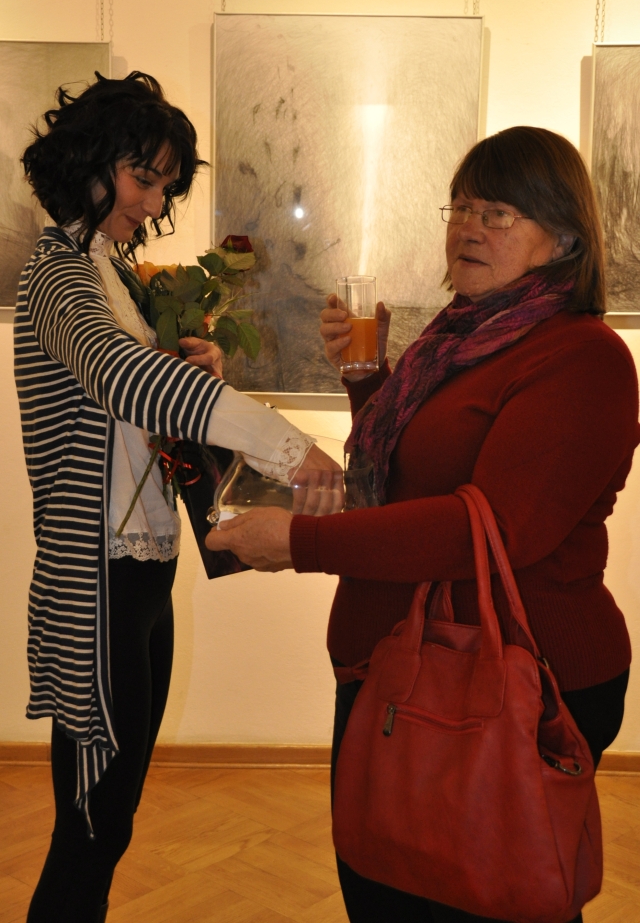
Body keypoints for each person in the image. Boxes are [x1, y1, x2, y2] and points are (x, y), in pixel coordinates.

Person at [207, 126, 639, 923]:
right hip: (403, 666)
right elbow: (409, 480)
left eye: (499, 213)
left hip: (514, 679)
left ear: (565, 238)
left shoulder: (584, 357)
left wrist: (297, 543)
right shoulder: (459, 338)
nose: (469, 227)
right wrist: (366, 377)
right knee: (383, 889)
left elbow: (489, 530)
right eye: (461, 207)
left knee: (482, 900)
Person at [16, 71, 341, 923]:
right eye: (143, 177)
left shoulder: (113, 273)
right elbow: (123, 378)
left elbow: (143, 397)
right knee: (90, 825)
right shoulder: (59, 275)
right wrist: (286, 445)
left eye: (165, 184)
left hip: (141, 572)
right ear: (89, 162)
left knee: (111, 819)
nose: (155, 201)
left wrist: (201, 367)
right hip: (94, 579)